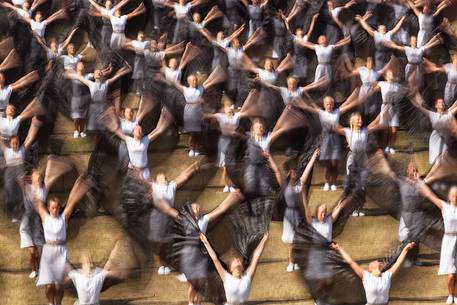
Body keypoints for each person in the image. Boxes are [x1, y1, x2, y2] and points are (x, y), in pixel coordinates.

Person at [295, 90, 368, 191]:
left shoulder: (337, 112)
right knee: (327, 163)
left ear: (333, 105)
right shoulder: (321, 113)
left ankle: (333, 182)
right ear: (324, 105)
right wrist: (302, 101)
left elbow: (349, 105)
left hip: (335, 139)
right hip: (325, 138)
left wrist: (359, 99)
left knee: (334, 163)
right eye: (327, 104)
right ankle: (326, 182)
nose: (329, 105)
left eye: (331, 104)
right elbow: (309, 107)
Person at [269, 148, 319, 271]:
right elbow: (276, 171)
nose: (296, 173)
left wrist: (314, 156)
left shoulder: (299, 185)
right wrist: (269, 156)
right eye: (294, 172)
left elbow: (307, 170)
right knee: (292, 241)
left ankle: (295, 262)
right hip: (290, 214)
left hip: (298, 214)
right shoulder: (285, 186)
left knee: (298, 240)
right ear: (290, 173)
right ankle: (291, 263)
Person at [149, 161, 200, 275]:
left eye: (166, 177)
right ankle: (163, 265)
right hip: (157, 217)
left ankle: (170, 264)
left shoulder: (171, 186)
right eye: (163, 177)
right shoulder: (153, 186)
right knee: (158, 244)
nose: (165, 178)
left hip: (170, 217)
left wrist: (193, 168)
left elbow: (183, 176)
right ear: (156, 179)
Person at [35, 192, 83, 305]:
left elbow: (72, 201)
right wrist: (31, 188)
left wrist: (82, 187)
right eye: (53, 208)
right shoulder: (45, 218)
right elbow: (38, 202)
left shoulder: (63, 218)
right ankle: (51, 302)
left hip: (61, 252)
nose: (55, 210)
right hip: (48, 253)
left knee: (59, 284)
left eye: (57, 208)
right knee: (48, 284)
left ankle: (58, 303)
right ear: (49, 208)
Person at [332, 242, 416, 305]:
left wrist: (406, 249)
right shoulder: (366, 276)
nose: (377, 261)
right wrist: (340, 249)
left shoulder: (387, 275)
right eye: (373, 262)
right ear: (370, 269)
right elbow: (351, 262)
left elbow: (398, 262)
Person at [415, 181, 457, 304]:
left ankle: (455, 294)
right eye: (454, 195)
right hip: (449, 241)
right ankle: (450, 294)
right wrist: (419, 182)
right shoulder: (445, 207)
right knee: (451, 275)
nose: (455, 197)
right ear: (449, 196)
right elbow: (429, 195)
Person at [200, 232, 269, 305]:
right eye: (235, 261)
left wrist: (264, 240)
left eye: (239, 261)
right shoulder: (226, 277)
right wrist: (205, 242)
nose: (238, 261)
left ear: (243, 268)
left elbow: (256, 257)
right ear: (230, 269)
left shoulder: (247, 277)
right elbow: (215, 259)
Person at [64, 62, 132, 131]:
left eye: (100, 72)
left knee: (102, 128)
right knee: (92, 128)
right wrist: (67, 75)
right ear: (94, 75)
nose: (98, 73)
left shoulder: (106, 83)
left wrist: (128, 69)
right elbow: (78, 77)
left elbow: (118, 75)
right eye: (97, 72)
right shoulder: (90, 83)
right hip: (93, 107)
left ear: (101, 75)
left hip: (102, 107)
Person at [410, 93, 457, 164]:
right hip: (435, 138)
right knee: (437, 160)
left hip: (445, 139)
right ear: (436, 105)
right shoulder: (432, 114)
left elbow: (455, 107)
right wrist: (411, 99)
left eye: (442, 102)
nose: (442, 103)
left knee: (444, 158)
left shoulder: (448, 114)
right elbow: (420, 107)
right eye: (439, 102)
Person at [372, 69, 407, 154]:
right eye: (389, 73)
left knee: (394, 130)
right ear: (386, 76)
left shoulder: (398, 85)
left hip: (395, 107)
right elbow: (373, 89)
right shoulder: (382, 84)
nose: (391, 75)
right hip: (385, 107)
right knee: (386, 129)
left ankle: (391, 146)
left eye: (392, 73)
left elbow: (405, 91)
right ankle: (384, 147)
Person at [19, 169, 45, 279]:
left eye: (39, 178)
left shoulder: (42, 191)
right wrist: (27, 178)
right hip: (26, 225)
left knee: (39, 252)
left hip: (37, 224)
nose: (37, 179)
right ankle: (34, 270)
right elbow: (19, 179)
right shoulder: (27, 187)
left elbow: (39, 205)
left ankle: (39, 269)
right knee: (32, 252)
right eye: (36, 177)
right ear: (32, 178)